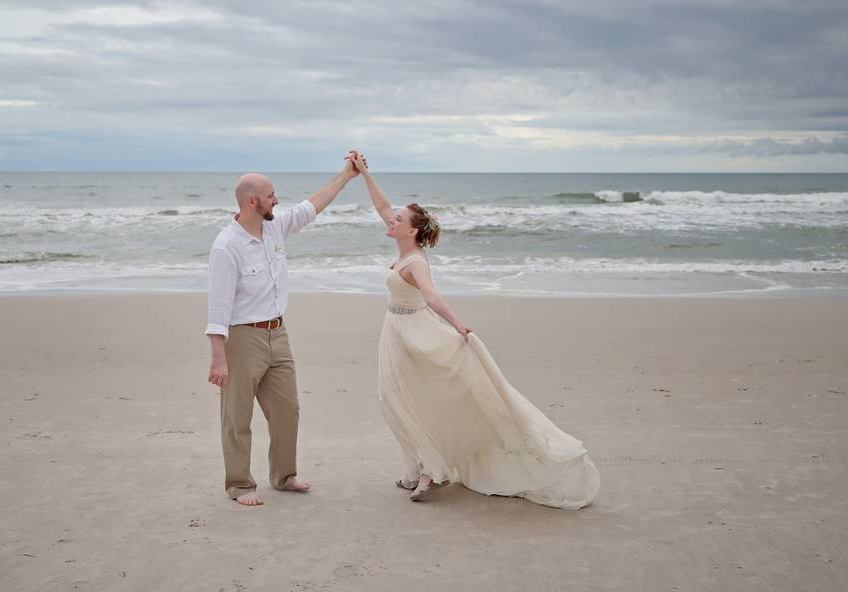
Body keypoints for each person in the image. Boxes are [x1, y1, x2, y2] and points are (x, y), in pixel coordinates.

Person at [348, 150, 600, 508]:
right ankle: (421, 463)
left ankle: (431, 471)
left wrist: (456, 324)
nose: (390, 220)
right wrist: (364, 174)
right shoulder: (403, 243)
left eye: (398, 219)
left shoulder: (416, 260)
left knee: (419, 399)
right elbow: (382, 206)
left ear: (412, 229)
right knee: (397, 398)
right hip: (395, 332)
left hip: (417, 333)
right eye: (394, 217)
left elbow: (432, 295)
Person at [205, 157, 360, 506]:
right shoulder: (226, 246)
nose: (277, 200)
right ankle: (240, 485)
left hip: (279, 333)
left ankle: (284, 476)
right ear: (252, 202)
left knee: (287, 411)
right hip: (242, 338)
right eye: (271, 195)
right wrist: (218, 358)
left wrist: (346, 177)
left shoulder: (274, 227)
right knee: (237, 417)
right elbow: (217, 308)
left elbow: (312, 207)